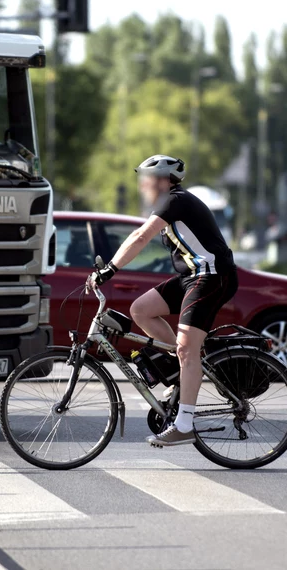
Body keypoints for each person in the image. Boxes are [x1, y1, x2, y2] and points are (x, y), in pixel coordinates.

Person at [87, 154, 238, 446]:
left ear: (162, 181)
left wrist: (109, 270)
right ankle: (181, 375)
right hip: (194, 276)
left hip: (214, 276)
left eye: (146, 178)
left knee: (186, 348)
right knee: (141, 310)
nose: (141, 184)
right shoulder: (168, 204)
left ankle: (184, 424)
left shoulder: (175, 200)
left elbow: (140, 237)